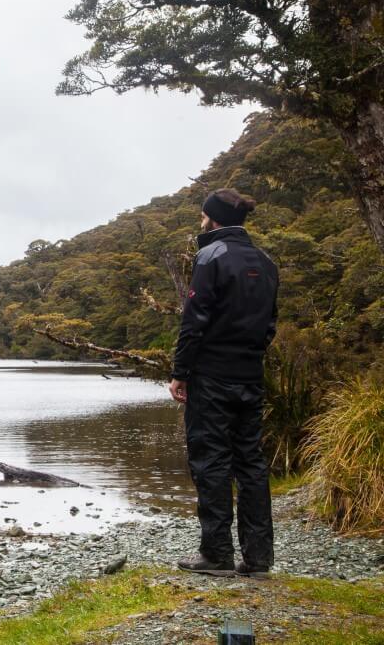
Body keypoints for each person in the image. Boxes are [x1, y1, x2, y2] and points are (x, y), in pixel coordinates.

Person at [169, 188, 278, 578]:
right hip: (250, 374)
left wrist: (180, 372)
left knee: (211, 460)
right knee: (251, 462)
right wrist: (250, 355)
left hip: (212, 376)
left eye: (203, 216)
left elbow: (194, 319)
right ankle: (259, 558)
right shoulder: (266, 261)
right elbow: (270, 323)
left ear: (213, 219)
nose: (201, 222)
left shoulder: (210, 256)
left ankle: (216, 554)